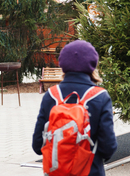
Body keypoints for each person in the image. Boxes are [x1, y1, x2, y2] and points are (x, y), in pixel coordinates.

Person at [32, 40, 117, 175]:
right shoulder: (100, 97)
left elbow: (37, 145)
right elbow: (108, 147)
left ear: (63, 63)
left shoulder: (51, 95)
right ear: (92, 64)